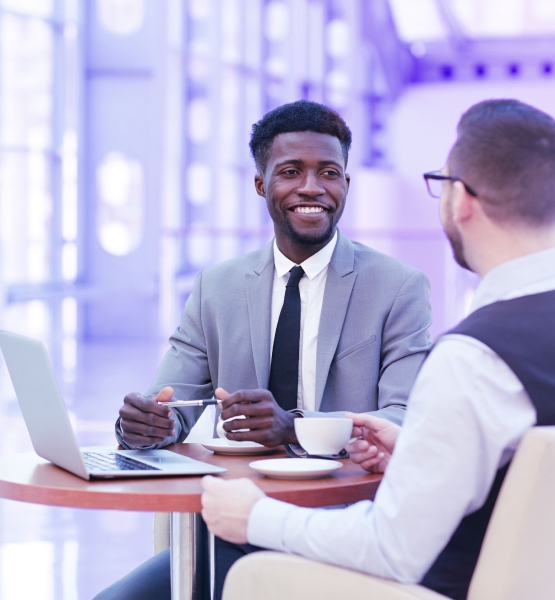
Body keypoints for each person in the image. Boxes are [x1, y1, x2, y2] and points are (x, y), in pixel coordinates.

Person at [201, 98, 555, 600]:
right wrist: (416, 452)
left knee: (229, 565)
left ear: (462, 202)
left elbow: (392, 549)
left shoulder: (474, 358)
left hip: (439, 586)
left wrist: (254, 515)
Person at [95, 100, 432, 600]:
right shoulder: (218, 287)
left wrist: (295, 425)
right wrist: (146, 425)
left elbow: (406, 419)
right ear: (260, 184)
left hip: (347, 529)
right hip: (234, 525)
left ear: (345, 185)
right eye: (291, 172)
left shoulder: (398, 287)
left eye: (329, 173)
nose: (312, 187)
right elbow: (171, 400)